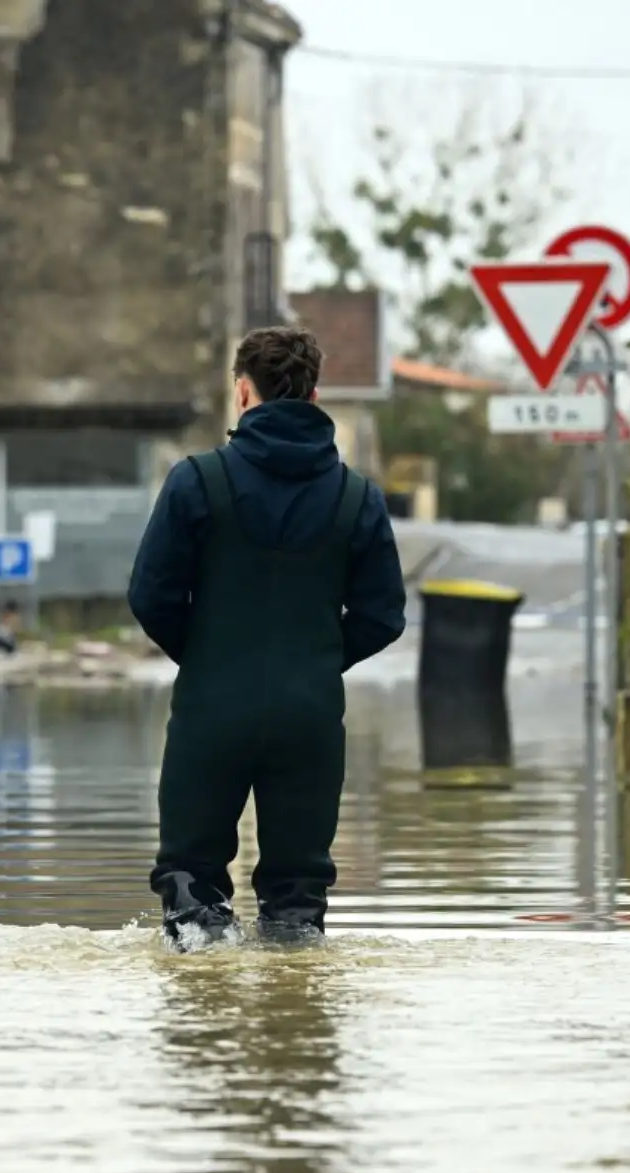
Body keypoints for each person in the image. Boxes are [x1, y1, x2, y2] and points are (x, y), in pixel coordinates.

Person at [127, 325, 407, 949]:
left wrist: (204, 654)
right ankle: (294, 1032)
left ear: (244, 393)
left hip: (210, 712)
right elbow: (384, 614)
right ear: (313, 397)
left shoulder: (195, 482)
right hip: (309, 716)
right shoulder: (358, 498)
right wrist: (318, 655)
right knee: (296, 904)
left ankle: (205, 1035)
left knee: (192, 887)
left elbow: (151, 596)